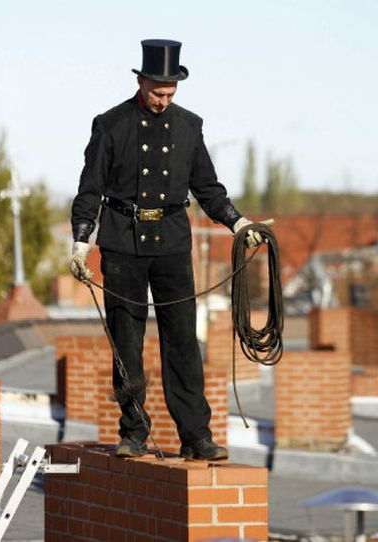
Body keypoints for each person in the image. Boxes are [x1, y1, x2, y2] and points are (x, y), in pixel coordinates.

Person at [70, 39, 264, 460]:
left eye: (170, 93)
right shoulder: (110, 125)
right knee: (128, 341)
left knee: (182, 342)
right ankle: (133, 432)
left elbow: (208, 188)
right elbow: (89, 190)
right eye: (158, 92)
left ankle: (196, 437)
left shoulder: (190, 126)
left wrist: (237, 221)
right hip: (121, 244)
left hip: (173, 244)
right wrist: (81, 241)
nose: (163, 100)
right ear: (142, 82)